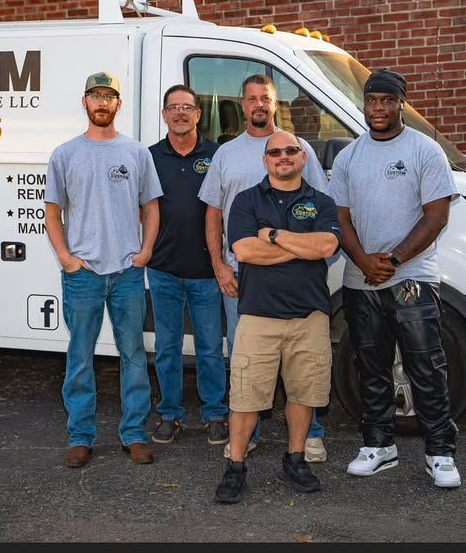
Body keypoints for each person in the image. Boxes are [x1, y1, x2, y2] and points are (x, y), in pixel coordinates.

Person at [328, 68, 462, 489]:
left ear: (402, 103)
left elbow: (437, 215)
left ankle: (440, 452)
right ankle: (378, 445)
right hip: (359, 278)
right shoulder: (350, 156)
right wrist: (364, 260)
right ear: (364, 104)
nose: (379, 108)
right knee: (371, 366)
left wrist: (396, 258)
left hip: (414, 277)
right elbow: (340, 218)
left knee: (426, 366)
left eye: (387, 100)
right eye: (372, 100)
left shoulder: (425, 150)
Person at [199, 73, 331, 462]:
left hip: (300, 284)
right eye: (252, 98)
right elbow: (213, 215)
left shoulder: (297, 146)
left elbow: (322, 217)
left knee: (305, 364)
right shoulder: (226, 154)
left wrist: (277, 240)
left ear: (276, 104)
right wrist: (221, 266)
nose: (259, 104)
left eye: (266, 98)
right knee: (247, 364)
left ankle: (310, 436)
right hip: (241, 277)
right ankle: (249, 434)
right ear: (242, 105)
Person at [213, 131, 340, 503]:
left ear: (303, 158)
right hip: (257, 315)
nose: (283, 156)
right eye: (275, 152)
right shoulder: (246, 200)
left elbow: (328, 246)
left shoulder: (322, 202)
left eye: (290, 151)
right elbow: (245, 251)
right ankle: (236, 466)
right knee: (245, 397)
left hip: (309, 316)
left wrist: (272, 235)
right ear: (265, 160)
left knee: (303, 394)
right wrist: (302, 247)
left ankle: (295, 459)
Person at [44, 71, 162, 468]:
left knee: (132, 353)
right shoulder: (65, 154)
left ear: (118, 104)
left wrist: (145, 249)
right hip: (83, 274)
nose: (101, 102)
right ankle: (81, 436)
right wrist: (65, 256)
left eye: (108, 96)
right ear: (85, 102)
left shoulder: (136, 153)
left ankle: (134, 433)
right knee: (80, 357)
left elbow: (152, 206)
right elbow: (52, 211)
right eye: (94, 95)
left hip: (127, 272)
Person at [146, 84, 229, 446]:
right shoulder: (149, 156)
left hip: (207, 271)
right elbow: (140, 206)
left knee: (211, 347)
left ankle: (215, 414)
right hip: (163, 269)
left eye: (187, 108)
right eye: (173, 107)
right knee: (166, 347)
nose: (180, 113)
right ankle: (170, 414)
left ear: (198, 114)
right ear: (164, 114)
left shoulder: (218, 155)